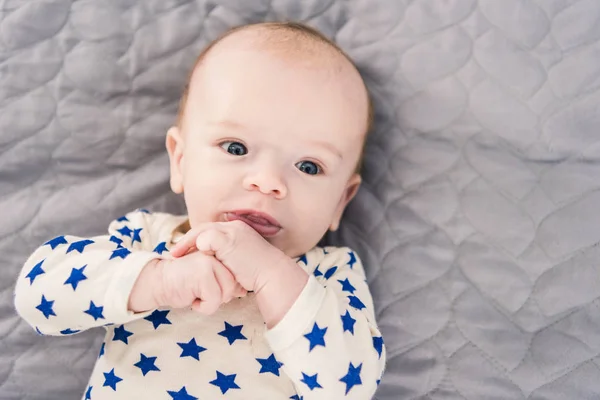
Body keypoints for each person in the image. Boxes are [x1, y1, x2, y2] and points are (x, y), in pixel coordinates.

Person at [14, 21, 386, 399]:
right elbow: (37, 296)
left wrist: (272, 274)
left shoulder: (329, 275)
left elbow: (350, 387)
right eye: (236, 148)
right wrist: (159, 281)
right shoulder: (148, 238)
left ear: (341, 200)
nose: (267, 181)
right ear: (180, 160)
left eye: (309, 166)